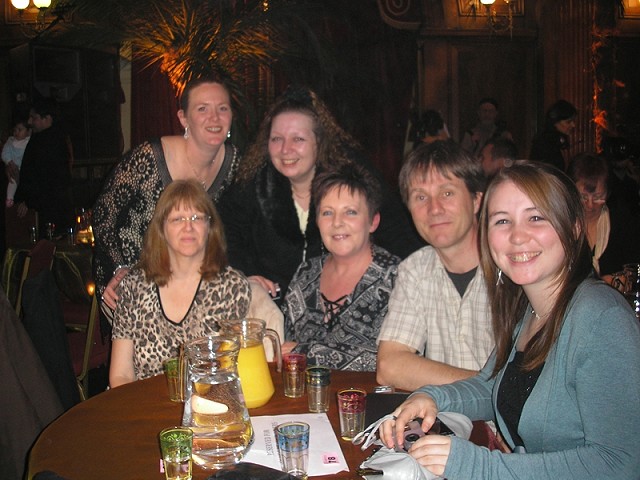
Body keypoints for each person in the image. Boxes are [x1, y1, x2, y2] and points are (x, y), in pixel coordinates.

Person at [380, 161, 640, 480]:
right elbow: (493, 386)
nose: (517, 236)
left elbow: (621, 463)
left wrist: (477, 465)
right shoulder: (529, 309)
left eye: (535, 217)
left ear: (573, 227)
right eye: (502, 221)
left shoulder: (602, 318)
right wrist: (431, 397)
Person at [218, 86, 422, 302]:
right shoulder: (255, 182)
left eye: (298, 139)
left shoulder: (351, 176)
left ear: (319, 142)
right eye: (276, 139)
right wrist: (246, 274)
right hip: (274, 306)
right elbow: (225, 230)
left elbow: (396, 230)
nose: (286, 149)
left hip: (346, 304)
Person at [93, 75, 242, 318]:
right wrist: (120, 267)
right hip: (133, 272)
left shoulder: (236, 163)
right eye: (202, 109)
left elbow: (236, 229)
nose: (214, 118)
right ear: (183, 118)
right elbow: (103, 216)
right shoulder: (150, 157)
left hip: (195, 278)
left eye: (222, 108)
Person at [109, 180, 251, 387]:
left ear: (210, 227)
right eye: (177, 219)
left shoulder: (232, 287)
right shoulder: (134, 286)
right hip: (142, 406)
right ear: (161, 228)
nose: (188, 227)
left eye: (197, 218)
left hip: (208, 407)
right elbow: (120, 375)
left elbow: (232, 373)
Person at [376, 140, 493, 391]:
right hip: (447, 424)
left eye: (447, 193)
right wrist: (487, 387)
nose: (434, 208)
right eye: (420, 197)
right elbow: (389, 366)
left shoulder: (512, 267)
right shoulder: (416, 269)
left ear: (476, 200)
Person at [281, 163, 400, 371]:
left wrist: (307, 352)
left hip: (375, 402)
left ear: (373, 221)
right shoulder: (305, 273)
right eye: (327, 213)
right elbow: (281, 346)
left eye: (350, 212)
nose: (337, 222)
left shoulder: (398, 277)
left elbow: (393, 361)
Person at [568, 153, 640, 281]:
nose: (590, 205)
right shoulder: (562, 223)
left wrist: (612, 280)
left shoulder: (621, 220)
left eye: (597, 197)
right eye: (583, 197)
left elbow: (634, 268)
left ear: (608, 193)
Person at [14, 98, 74, 236]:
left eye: (34, 118)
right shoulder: (44, 138)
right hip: (45, 206)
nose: (29, 122)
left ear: (47, 119)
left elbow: (46, 178)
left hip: (48, 210)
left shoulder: (49, 142)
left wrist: (28, 200)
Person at [529, 99, 577, 171]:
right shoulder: (545, 143)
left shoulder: (556, 141)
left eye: (573, 121)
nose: (573, 125)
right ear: (555, 122)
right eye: (568, 122)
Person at [2, 117, 31, 208]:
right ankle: (9, 198)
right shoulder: (10, 141)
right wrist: (9, 162)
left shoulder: (29, 141)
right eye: (15, 130)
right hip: (14, 167)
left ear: (28, 131)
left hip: (25, 170)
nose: (16, 132)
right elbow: (5, 153)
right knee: (12, 182)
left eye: (20, 130)